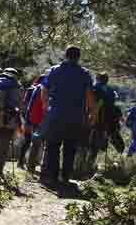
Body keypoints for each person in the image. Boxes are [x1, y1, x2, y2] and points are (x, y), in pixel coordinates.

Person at [40, 46, 95, 185]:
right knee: (70, 147)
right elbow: (89, 95)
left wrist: (46, 106)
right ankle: (65, 177)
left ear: (65, 55)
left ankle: (52, 177)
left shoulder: (55, 70)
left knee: (53, 146)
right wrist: (92, 113)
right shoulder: (84, 73)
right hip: (76, 116)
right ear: (79, 57)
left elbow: (44, 89)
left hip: (56, 114)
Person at [22, 72, 49, 172]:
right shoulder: (55, 88)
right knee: (46, 145)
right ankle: (43, 168)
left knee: (35, 143)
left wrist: (28, 120)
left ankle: (31, 166)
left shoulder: (37, 88)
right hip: (46, 120)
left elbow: (30, 105)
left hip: (36, 119)